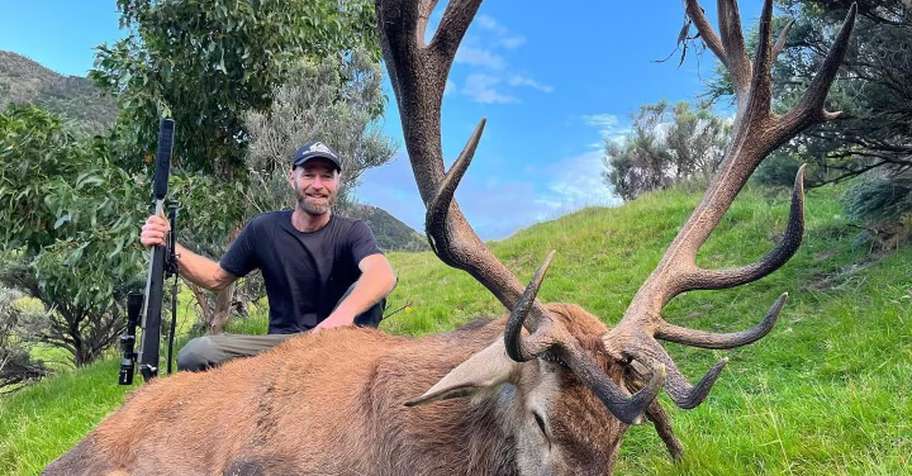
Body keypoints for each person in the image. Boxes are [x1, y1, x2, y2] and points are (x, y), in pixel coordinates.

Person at [139, 141, 397, 371]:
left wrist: (339, 320)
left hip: (340, 344)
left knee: (366, 287)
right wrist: (167, 243)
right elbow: (215, 278)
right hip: (282, 345)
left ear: (338, 182)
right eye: (309, 174)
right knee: (195, 353)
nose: (318, 185)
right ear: (292, 178)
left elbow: (382, 273)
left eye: (327, 176)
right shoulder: (263, 229)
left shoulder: (353, 231)